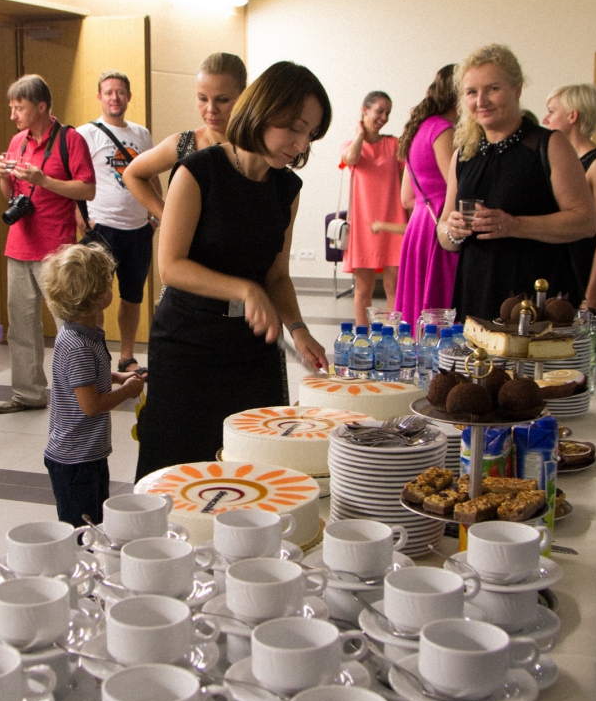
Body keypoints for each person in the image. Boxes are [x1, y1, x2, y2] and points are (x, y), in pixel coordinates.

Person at [135, 61, 331, 481]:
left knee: (251, 467)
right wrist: (244, 289)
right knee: (180, 469)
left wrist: (298, 329)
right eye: (294, 128)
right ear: (263, 109)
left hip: (250, 350)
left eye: (310, 134)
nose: (300, 145)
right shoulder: (199, 171)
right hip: (189, 343)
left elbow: (276, 276)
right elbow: (171, 267)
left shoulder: (286, 189)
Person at [437, 45, 596, 322]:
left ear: (517, 90)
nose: (481, 100)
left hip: (536, 294)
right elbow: (443, 235)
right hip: (476, 291)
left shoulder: (549, 145)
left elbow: (586, 222)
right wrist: (452, 230)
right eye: (472, 92)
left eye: (493, 89)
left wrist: (514, 225)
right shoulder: (463, 154)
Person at [0, 74, 96, 414]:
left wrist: (44, 180)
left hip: (57, 251)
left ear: (41, 106)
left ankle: (80, 392)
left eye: (19, 107)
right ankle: (29, 394)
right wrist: (2, 178)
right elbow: (12, 196)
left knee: (69, 325)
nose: (13, 115)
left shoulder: (70, 140)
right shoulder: (17, 142)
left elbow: (87, 189)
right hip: (18, 246)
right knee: (22, 326)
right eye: (11, 108)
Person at [41, 243, 145, 526]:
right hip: (75, 460)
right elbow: (90, 405)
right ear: (97, 296)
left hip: (89, 453)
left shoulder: (85, 333)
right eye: (109, 284)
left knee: (96, 520)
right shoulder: (78, 345)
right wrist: (127, 392)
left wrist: (118, 376)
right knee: (83, 528)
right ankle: (81, 565)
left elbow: (87, 376)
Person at [76, 70, 155, 375]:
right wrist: (81, 217)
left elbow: (150, 176)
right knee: (95, 297)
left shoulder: (142, 134)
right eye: (108, 92)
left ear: (129, 97)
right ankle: (98, 357)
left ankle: (127, 356)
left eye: (120, 92)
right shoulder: (86, 133)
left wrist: (155, 218)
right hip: (102, 229)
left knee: (132, 296)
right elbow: (76, 179)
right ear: (99, 97)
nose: (114, 97)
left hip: (138, 230)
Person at [123, 52, 247, 219]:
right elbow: (132, 174)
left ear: (244, 96)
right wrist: (169, 219)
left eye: (222, 100)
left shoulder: (257, 146)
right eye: (203, 98)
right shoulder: (186, 143)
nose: (211, 109)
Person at [390, 65, 459, 332]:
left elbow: (407, 198)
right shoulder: (443, 129)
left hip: (420, 222)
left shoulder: (420, 128)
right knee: (440, 311)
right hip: (440, 221)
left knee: (419, 308)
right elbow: (457, 185)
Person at [340, 91, 406, 327]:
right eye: (379, 110)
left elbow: (403, 183)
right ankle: (361, 337)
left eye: (387, 112)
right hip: (364, 225)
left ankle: (395, 336)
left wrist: (407, 220)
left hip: (392, 220)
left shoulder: (394, 144)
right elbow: (351, 158)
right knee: (364, 288)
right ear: (365, 110)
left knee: (394, 287)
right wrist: (360, 135)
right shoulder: (350, 144)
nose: (384, 117)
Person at [543, 84, 596, 309]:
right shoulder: (564, 165)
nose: (545, 119)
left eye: (551, 111)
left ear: (572, 115)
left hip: (585, 278)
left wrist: (593, 294)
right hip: (563, 273)